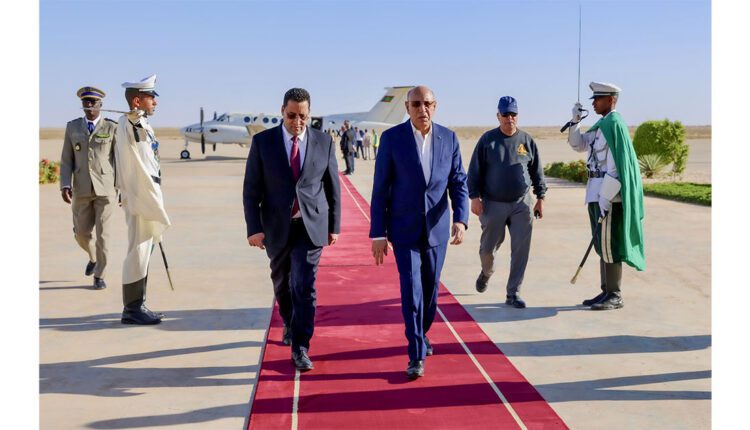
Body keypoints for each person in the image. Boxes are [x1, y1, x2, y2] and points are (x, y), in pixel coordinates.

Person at [370, 86, 468, 379]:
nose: (421, 109)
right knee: (411, 290)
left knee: (430, 291)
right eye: (416, 104)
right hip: (403, 229)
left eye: (427, 103)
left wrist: (461, 219)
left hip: (437, 229)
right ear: (407, 107)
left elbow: (458, 182)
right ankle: (415, 354)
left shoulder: (448, 138)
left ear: (435, 106)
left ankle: (421, 333)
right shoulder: (392, 139)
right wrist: (378, 233)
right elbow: (380, 188)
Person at [243, 88, 341, 371]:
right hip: (276, 227)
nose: (298, 122)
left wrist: (334, 226)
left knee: (304, 284)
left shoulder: (324, 141)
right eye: (292, 115)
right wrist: (254, 228)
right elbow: (251, 190)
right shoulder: (263, 142)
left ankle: (301, 346)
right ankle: (289, 321)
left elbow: (332, 187)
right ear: (282, 111)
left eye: (303, 116)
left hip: (311, 227)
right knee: (282, 283)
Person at [567, 82, 645, 310]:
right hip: (596, 191)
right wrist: (575, 121)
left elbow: (615, 166)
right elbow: (578, 145)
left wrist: (605, 197)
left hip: (608, 195)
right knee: (602, 244)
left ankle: (614, 294)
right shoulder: (602, 125)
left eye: (597, 99)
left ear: (610, 100)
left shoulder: (614, 124)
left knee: (609, 244)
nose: (593, 103)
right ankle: (606, 291)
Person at [468, 96, 546, 308]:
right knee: (487, 250)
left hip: (522, 204)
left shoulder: (527, 141)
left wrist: (540, 198)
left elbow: (537, 171)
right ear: (498, 116)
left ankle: (513, 293)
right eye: (505, 114)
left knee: (520, 250)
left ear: (517, 115)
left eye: (513, 114)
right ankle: (486, 272)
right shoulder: (488, 141)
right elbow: (474, 171)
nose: (509, 118)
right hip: (493, 203)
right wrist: (474, 197)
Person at [114, 74, 170, 325]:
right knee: (138, 250)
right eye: (150, 98)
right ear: (137, 101)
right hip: (141, 195)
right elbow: (131, 162)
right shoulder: (131, 122)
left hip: (147, 193)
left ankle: (139, 303)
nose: (155, 102)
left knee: (145, 250)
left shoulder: (142, 123)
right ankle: (132, 308)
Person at [59, 86, 118, 290]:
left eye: (93, 102)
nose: (89, 105)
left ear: (101, 104)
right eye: (86, 102)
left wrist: (123, 188)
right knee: (81, 234)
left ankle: (99, 275)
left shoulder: (112, 127)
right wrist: (65, 184)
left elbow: (119, 160)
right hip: (81, 189)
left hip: (106, 190)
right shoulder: (72, 127)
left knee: (104, 236)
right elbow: (66, 159)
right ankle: (93, 258)